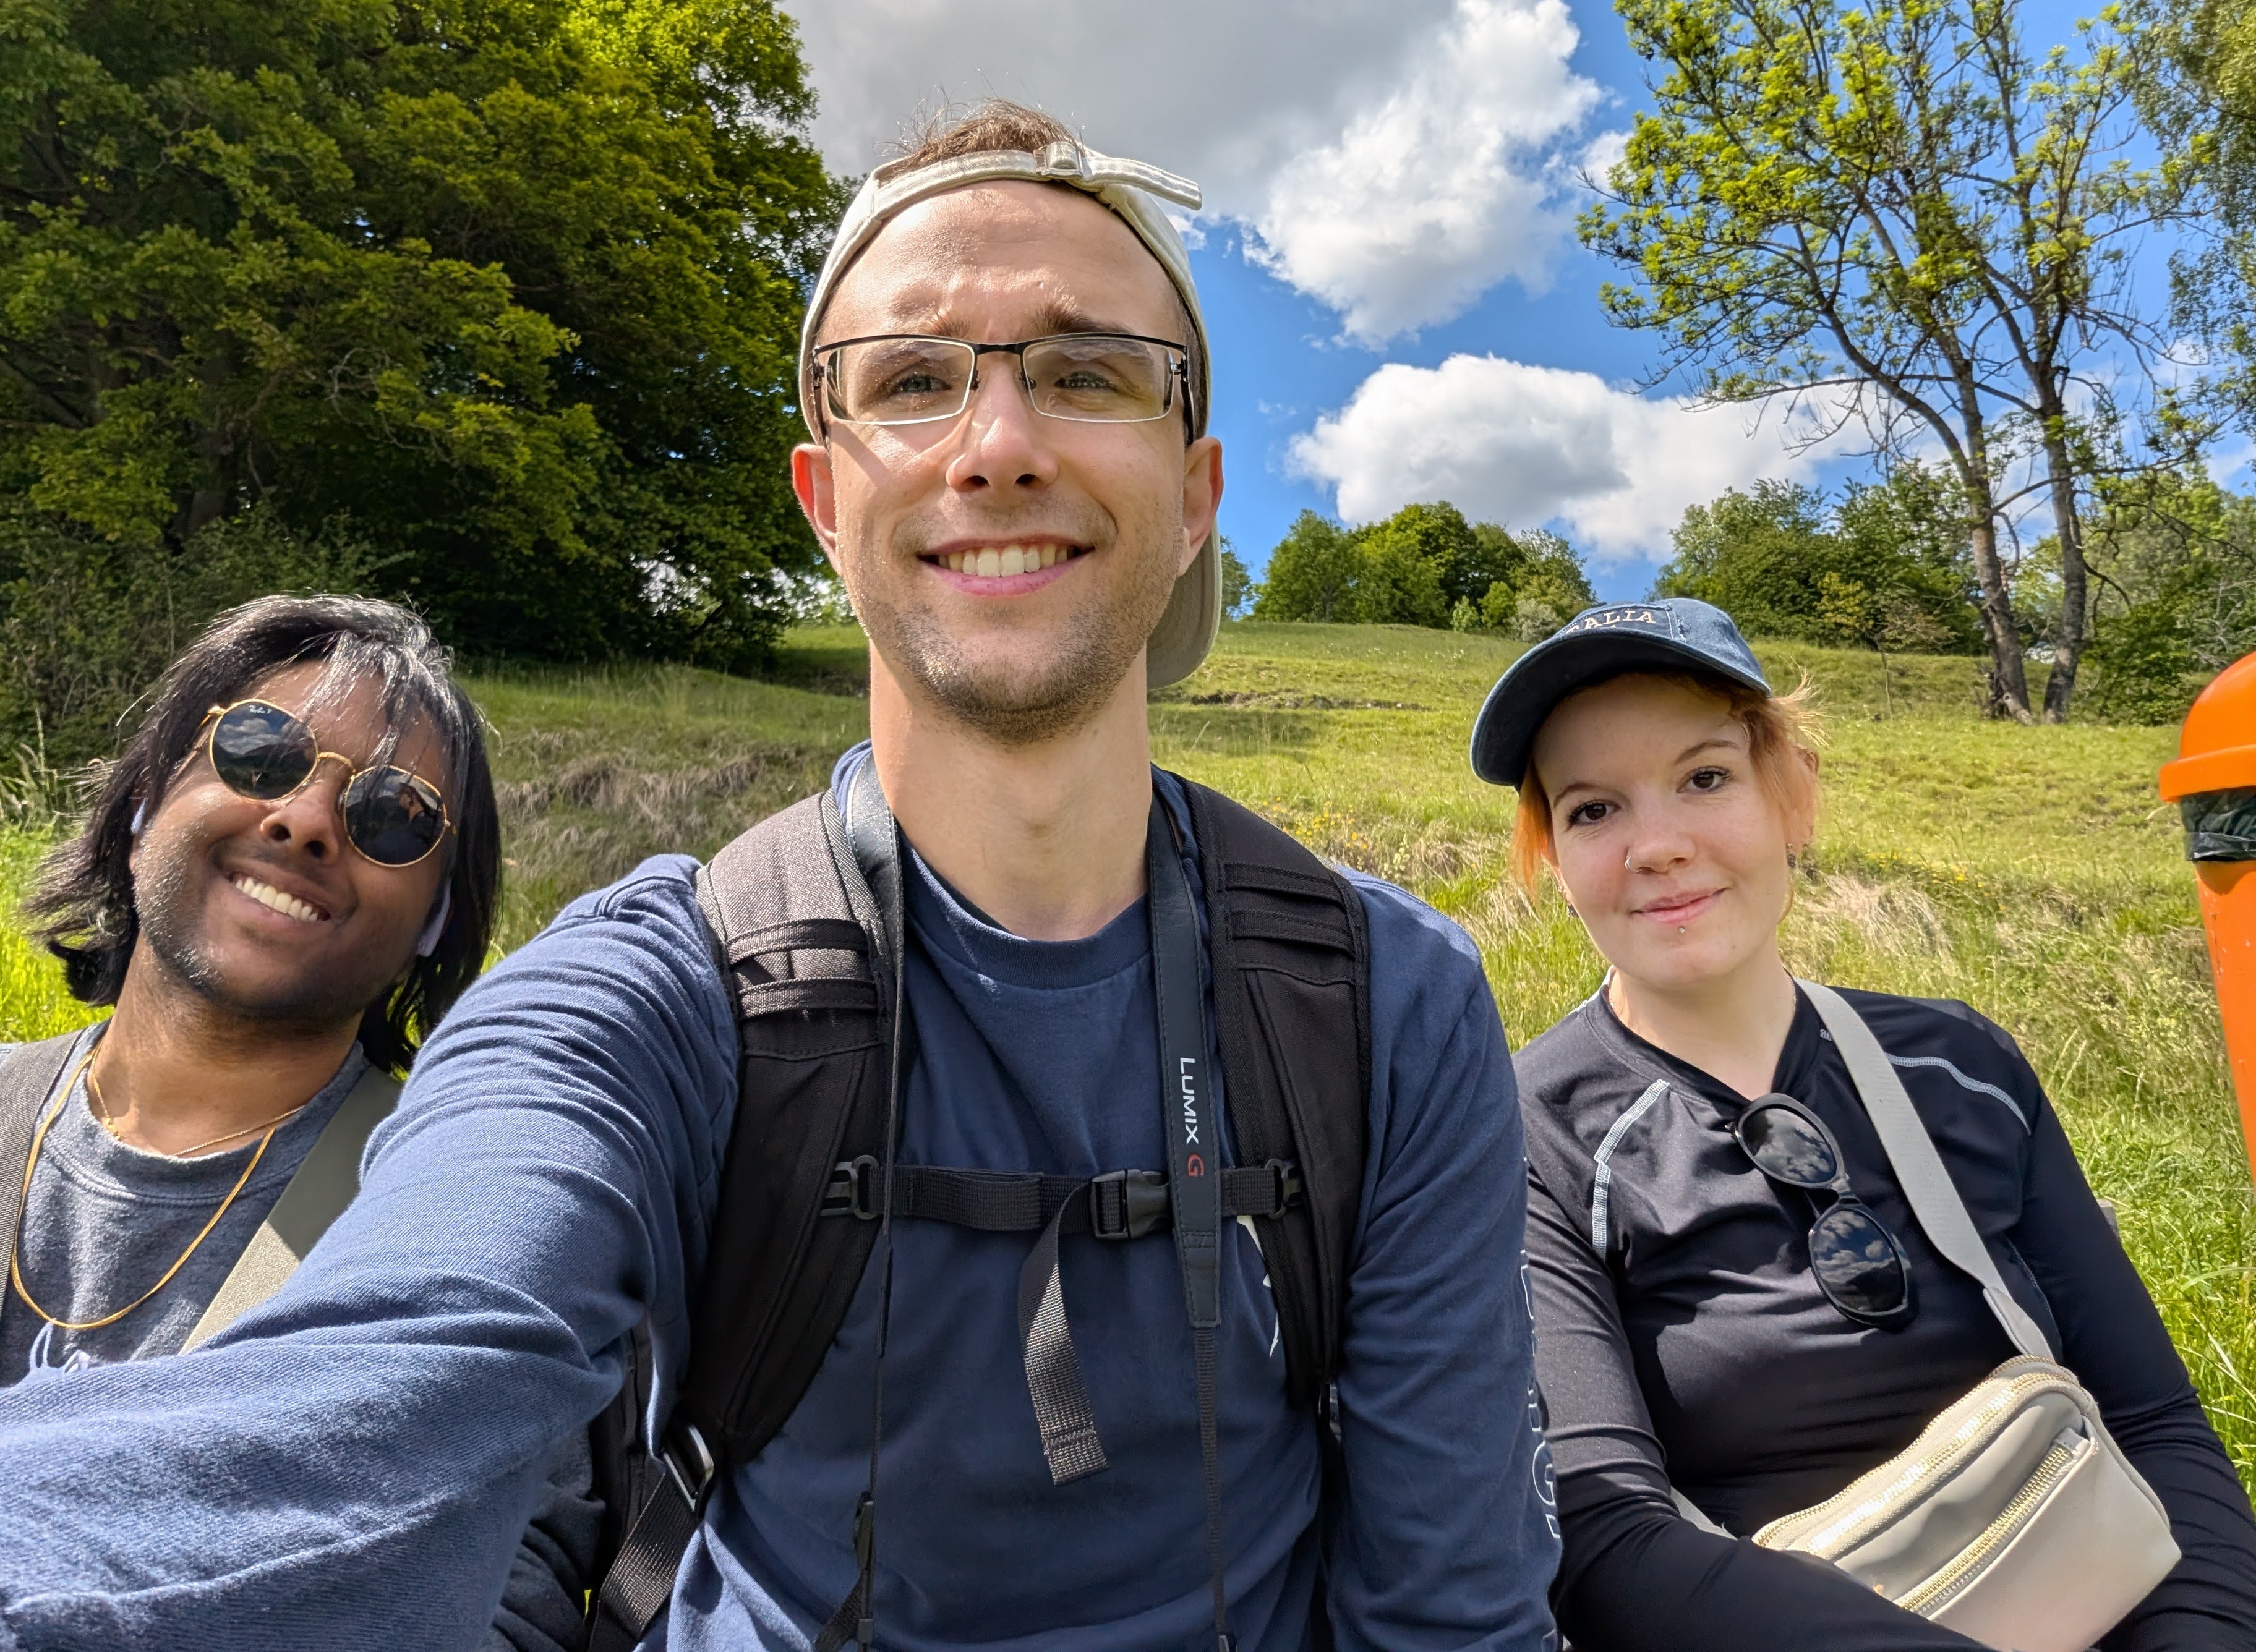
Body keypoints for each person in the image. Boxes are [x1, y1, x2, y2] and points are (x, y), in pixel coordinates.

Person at [0, 102, 1561, 1652]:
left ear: (1199, 494)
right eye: (914, 381)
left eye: (1087, 372)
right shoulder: (647, 993)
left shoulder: (1386, 1005)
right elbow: (381, 1396)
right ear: (824, 501)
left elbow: (1454, 1617)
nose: (998, 447)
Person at [1468, 595, 2256, 1651]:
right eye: (1593, 809)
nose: (1655, 846)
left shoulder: (1963, 1064)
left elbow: (2156, 1422)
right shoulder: (1527, 1136)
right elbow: (1606, 1540)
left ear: (1793, 795)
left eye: (1705, 778)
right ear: (1555, 860)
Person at [0, 595, 594, 1650]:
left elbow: (504, 1601)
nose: (308, 821)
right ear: (145, 798)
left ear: (439, 920)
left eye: (394, 816)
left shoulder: (464, 1232)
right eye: (260, 752)